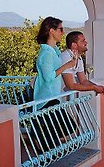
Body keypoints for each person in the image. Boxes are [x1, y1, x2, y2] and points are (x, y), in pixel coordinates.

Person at [33, 16, 77, 150]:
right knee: (69, 128)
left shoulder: (54, 51)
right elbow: (48, 77)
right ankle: (35, 135)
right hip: (46, 100)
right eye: (60, 29)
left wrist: (73, 58)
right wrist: (67, 65)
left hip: (53, 97)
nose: (63, 32)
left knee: (64, 131)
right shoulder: (46, 53)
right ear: (52, 31)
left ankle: (36, 135)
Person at [60, 31, 104, 95]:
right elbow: (70, 85)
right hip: (56, 99)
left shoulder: (78, 58)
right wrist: (93, 87)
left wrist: (97, 87)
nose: (86, 43)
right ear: (74, 45)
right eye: (83, 41)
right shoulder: (66, 57)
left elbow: (83, 81)